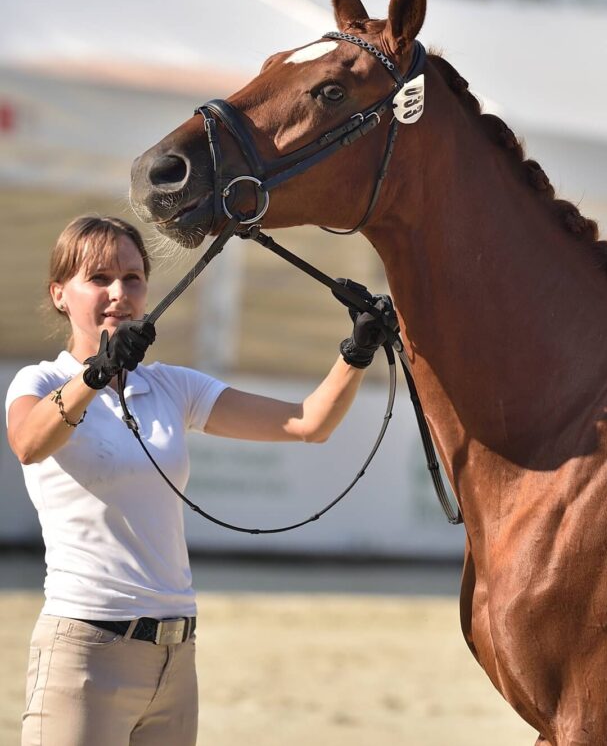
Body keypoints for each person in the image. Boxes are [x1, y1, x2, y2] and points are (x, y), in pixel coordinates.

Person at [5, 214, 390, 746]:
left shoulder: (171, 386)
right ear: (60, 294)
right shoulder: (41, 381)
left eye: (133, 278)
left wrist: (358, 351)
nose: (119, 293)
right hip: (85, 653)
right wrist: (93, 375)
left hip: (175, 655)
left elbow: (309, 422)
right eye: (99, 278)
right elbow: (28, 442)